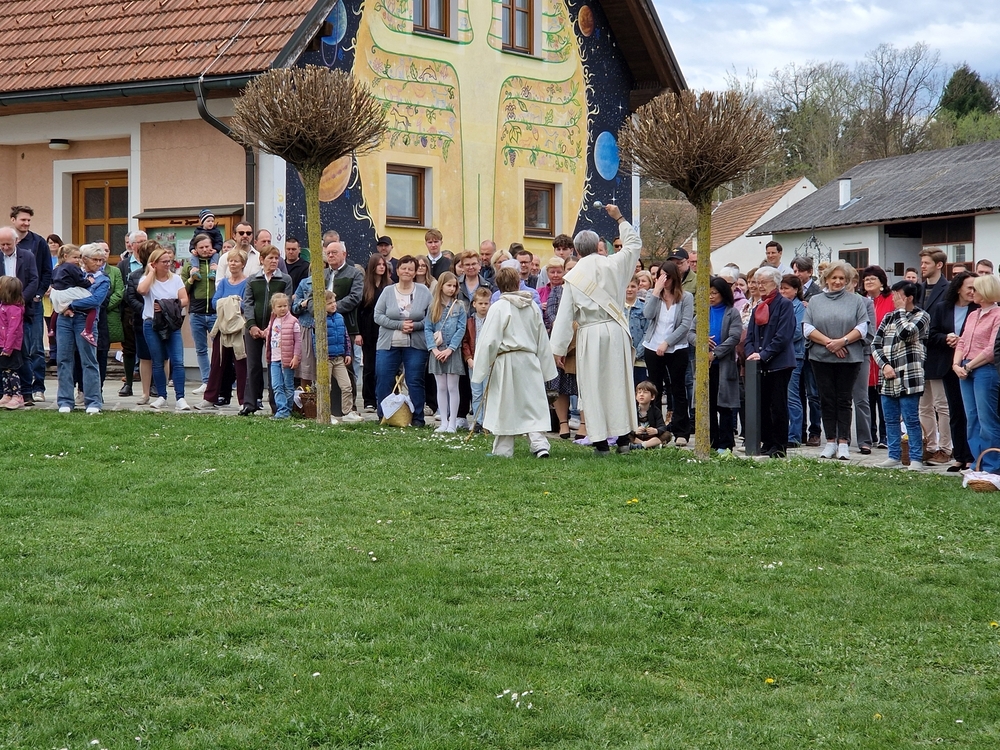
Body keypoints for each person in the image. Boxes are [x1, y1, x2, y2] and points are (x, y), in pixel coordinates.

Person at [550, 204, 642, 455]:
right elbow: (634, 244)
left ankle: (601, 442)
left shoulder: (574, 276)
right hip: (616, 329)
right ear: (598, 246)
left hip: (590, 333)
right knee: (618, 384)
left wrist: (557, 349)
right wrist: (619, 218)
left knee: (593, 387)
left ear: (577, 250)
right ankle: (623, 439)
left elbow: (565, 316)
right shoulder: (615, 264)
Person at [471, 267, 557, 458]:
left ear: (498, 286)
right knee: (532, 403)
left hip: (507, 361)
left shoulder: (498, 308)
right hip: (529, 359)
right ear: (518, 283)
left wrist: (481, 367)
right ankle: (540, 444)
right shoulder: (532, 306)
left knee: (505, 404)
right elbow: (541, 338)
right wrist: (546, 368)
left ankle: (504, 449)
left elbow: (489, 340)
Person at [804, 261, 872, 460]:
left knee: (844, 400)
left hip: (849, 358)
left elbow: (862, 328)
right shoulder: (815, 301)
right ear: (826, 279)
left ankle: (843, 442)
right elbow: (807, 328)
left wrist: (842, 342)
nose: (838, 281)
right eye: (834, 277)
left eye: (842, 278)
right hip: (821, 357)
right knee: (826, 399)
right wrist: (830, 343)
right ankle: (830, 441)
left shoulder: (856, 301)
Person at [872, 281, 930, 470]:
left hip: (909, 377)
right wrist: (884, 365)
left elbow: (906, 333)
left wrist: (900, 311)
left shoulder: (922, 316)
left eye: (898, 295)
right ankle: (893, 456)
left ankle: (916, 458)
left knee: (910, 419)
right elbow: (875, 344)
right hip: (888, 377)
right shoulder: (888, 317)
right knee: (890, 419)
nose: (894, 298)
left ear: (909, 297)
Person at [374, 255, 433, 426]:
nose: (407, 271)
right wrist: (399, 325)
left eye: (410, 269)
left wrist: (415, 326)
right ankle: (384, 416)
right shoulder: (388, 291)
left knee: (415, 380)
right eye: (403, 268)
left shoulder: (424, 291)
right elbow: (378, 316)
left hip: (416, 344)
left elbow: (431, 318)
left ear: (415, 272)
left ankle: (417, 419)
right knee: (384, 378)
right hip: (388, 343)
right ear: (397, 270)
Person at [745, 266, 796, 458]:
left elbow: (783, 336)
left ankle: (779, 445)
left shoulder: (784, 305)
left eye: (763, 282)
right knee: (763, 404)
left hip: (779, 363)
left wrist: (764, 354)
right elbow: (750, 336)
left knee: (778, 405)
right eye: (757, 282)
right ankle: (766, 441)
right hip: (759, 364)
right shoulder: (758, 306)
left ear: (775, 283)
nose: (759, 286)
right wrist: (751, 353)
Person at [641, 261, 693, 446]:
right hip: (652, 347)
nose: (664, 280)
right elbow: (648, 315)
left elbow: (685, 324)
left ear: (675, 277)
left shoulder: (686, 297)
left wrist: (667, 342)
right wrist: (656, 292)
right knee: (655, 389)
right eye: (660, 276)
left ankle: (681, 432)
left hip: (676, 348)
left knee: (678, 389)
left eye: (667, 276)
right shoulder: (652, 294)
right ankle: (657, 432)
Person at [929, 272, 977, 471]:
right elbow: (931, 334)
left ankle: (973, 456)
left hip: (972, 365)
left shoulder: (978, 308)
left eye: (976, 288)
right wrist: (946, 338)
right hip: (949, 366)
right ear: (958, 288)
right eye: (969, 288)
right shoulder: (943, 308)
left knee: (971, 412)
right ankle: (960, 456)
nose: (973, 292)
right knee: (956, 411)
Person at [55, 243, 109, 414]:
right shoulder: (70, 271)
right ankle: (65, 401)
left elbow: (95, 300)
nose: (99, 263)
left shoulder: (103, 279)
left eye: (101, 260)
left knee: (89, 360)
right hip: (64, 319)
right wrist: (62, 304)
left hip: (85, 320)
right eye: (95, 260)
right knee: (64, 359)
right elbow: (57, 289)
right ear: (84, 259)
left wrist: (71, 304)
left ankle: (93, 401)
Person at [241, 245, 293, 416]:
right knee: (253, 366)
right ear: (261, 259)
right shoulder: (252, 279)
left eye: (276, 258)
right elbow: (248, 303)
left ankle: (276, 405)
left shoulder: (285, 279)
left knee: (274, 366)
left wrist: (270, 328)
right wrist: (251, 325)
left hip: (276, 329)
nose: (274, 261)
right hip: (253, 328)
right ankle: (250, 403)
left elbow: (286, 305)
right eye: (270, 258)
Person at [956, 274, 1000, 474]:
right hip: (965, 368)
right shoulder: (973, 314)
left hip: (984, 370)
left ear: (986, 291)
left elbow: (992, 349)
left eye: (975, 289)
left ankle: (992, 465)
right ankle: (978, 463)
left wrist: (969, 366)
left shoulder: (998, 314)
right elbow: (962, 341)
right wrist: (956, 364)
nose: (971, 292)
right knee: (972, 418)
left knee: (986, 419)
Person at [137, 246, 190, 412]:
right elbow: (142, 291)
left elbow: (184, 299)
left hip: (171, 324)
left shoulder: (176, 279)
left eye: (169, 261)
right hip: (151, 324)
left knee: (178, 360)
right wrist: (151, 273)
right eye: (164, 262)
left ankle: (180, 397)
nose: (168, 264)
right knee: (157, 361)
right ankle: (161, 396)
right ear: (154, 263)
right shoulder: (146, 279)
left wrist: (167, 305)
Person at [198, 249, 249, 410]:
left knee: (241, 365)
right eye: (231, 261)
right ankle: (209, 398)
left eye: (236, 261)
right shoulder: (224, 283)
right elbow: (215, 302)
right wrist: (232, 302)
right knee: (217, 363)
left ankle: (244, 401)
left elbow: (245, 304)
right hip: (222, 327)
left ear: (243, 264)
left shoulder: (247, 283)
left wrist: (226, 303)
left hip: (239, 329)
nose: (233, 264)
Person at [10, 206, 51, 405]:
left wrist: (37, 295)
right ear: (13, 220)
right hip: (7, 306)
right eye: (23, 220)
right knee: (13, 346)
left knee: (35, 347)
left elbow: (46, 272)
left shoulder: (38, 242)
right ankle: (15, 387)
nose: (26, 223)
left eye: (28, 220)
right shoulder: (6, 242)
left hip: (32, 304)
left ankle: (38, 387)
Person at [918, 248, 952, 463]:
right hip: (920, 355)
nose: (922, 266)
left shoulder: (948, 289)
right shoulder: (919, 289)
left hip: (940, 353)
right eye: (921, 262)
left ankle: (946, 449)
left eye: (926, 263)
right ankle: (930, 446)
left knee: (942, 405)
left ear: (939, 265)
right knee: (924, 405)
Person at [424, 271, 468, 433]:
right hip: (437, 351)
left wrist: (450, 349)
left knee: (452, 387)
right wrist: (434, 349)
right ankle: (443, 421)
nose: (452, 289)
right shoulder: (433, 307)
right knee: (441, 387)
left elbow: (461, 328)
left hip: (452, 351)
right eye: (448, 285)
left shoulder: (459, 306)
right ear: (441, 286)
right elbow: (428, 328)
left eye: (454, 286)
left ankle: (452, 422)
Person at [706, 276, 744, 453]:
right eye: (709, 293)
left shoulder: (732, 312)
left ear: (723, 294)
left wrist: (715, 353)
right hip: (706, 366)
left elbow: (734, 337)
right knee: (709, 405)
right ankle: (712, 442)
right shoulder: (704, 312)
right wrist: (701, 340)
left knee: (725, 405)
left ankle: (726, 443)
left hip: (724, 364)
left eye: (714, 293)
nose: (711, 296)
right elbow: (691, 332)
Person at [861, 266, 895, 449]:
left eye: (873, 278)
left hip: (885, 355)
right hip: (865, 355)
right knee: (867, 397)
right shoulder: (860, 301)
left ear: (882, 282)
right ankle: (870, 434)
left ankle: (885, 436)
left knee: (884, 398)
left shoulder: (891, 300)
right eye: (866, 279)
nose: (868, 281)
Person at [319, 289, 363, 423]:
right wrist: (320, 356)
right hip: (326, 359)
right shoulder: (320, 320)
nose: (333, 305)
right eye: (329, 303)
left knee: (346, 385)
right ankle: (326, 414)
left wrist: (347, 353)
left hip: (339, 358)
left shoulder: (340, 317)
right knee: (326, 387)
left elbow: (345, 336)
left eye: (334, 302)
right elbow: (316, 339)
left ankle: (347, 412)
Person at [181, 233, 218, 394]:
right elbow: (182, 289)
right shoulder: (189, 265)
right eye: (201, 247)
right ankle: (206, 381)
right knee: (201, 349)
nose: (204, 250)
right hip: (196, 313)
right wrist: (191, 279)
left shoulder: (218, 263)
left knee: (220, 349)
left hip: (215, 312)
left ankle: (221, 381)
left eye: (207, 246)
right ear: (195, 249)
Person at [358, 253, 393, 411]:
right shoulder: (365, 286)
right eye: (378, 264)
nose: (381, 267)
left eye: (383, 264)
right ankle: (369, 400)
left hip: (386, 330)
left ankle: (386, 398)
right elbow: (359, 311)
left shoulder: (390, 286)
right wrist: (358, 333)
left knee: (386, 366)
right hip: (368, 331)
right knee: (369, 366)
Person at [49, 245, 98, 347]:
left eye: (79, 257)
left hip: (57, 294)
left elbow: (52, 281)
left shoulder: (56, 268)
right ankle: (88, 331)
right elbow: (80, 281)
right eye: (75, 257)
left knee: (57, 310)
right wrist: (89, 282)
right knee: (92, 308)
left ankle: (52, 329)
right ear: (65, 256)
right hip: (69, 292)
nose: (77, 260)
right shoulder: (72, 267)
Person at [264, 293, 300, 420]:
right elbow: (269, 334)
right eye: (279, 306)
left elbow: (298, 342)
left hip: (287, 359)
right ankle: (282, 409)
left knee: (288, 386)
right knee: (276, 385)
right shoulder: (272, 321)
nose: (283, 308)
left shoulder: (293, 322)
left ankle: (286, 411)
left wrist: (296, 357)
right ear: (273, 308)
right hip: (274, 359)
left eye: (285, 305)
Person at [462, 287, 491, 431]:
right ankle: (477, 421)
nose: (483, 306)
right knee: (476, 392)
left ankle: (488, 421)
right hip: (474, 361)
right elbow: (465, 342)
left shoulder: (492, 320)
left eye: (486, 303)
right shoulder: (469, 322)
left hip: (489, 362)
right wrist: (468, 358)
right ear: (474, 304)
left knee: (488, 391)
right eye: (480, 303)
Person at [0, 276, 25, 409]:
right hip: (2, 344)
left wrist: (8, 348)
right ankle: (7, 394)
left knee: (11, 371)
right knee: (4, 370)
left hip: (10, 347)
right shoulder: (3, 307)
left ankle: (17, 395)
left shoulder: (14, 309)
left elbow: (13, 330)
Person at [631, 380, 669, 449]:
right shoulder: (632, 410)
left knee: (667, 435)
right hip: (637, 437)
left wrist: (656, 431)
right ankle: (649, 445)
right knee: (626, 435)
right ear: (636, 396)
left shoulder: (656, 411)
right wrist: (635, 431)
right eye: (639, 392)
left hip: (651, 436)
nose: (641, 394)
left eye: (645, 392)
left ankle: (641, 446)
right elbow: (627, 426)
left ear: (652, 397)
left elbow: (662, 426)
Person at [187, 209, 223, 276]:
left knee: (216, 255)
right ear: (203, 222)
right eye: (208, 221)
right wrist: (192, 249)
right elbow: (192, 242)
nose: (211, 223)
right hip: (199, 253)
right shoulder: (198, 231)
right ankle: (195, 269)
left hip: (212, 251)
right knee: (194, 256)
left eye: (212, 221)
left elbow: (219, 242)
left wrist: (215, 249)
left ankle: (213, 269)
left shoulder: (216, 231)